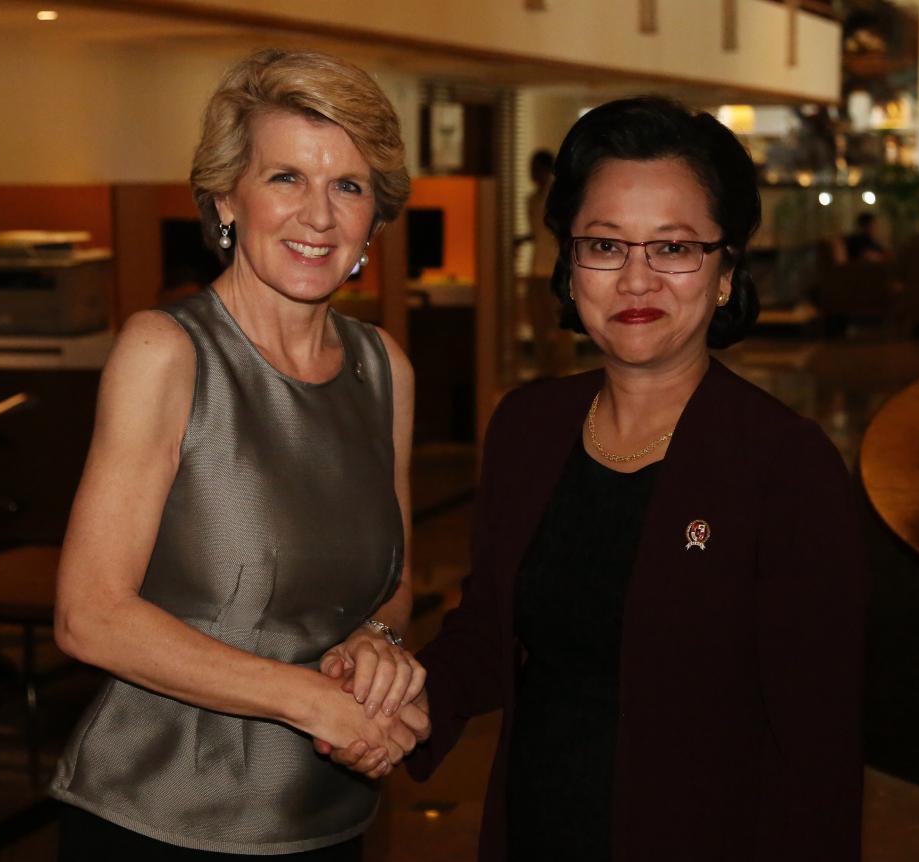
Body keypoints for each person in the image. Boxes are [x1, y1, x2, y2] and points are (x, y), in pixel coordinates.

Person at [327, 96, 867, 859]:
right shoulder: (528, 426)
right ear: (569, 265)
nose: (637, 280)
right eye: (606, 246)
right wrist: (400, 704)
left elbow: (818, 747)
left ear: (724, 273)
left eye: (674, 249)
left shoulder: (783, 463)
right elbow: (490, 628)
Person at [49, 49, 429, 860]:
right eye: (285, 177)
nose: (319, 217)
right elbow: (90, 617)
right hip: (160, 820)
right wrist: (308, 700)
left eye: (348, 186)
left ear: (376, 220)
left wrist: (378, 645)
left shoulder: (384, 370)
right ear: (227, 198)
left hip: (329, 817)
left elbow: (395, 583)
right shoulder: (167, 352)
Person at [523, 149, 573, 377]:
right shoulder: (532, 200)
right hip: (537, 268)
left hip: (555, 268)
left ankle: (563, 371)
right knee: (539, 324)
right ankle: (544, 370)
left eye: (536, 169)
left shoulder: (558, 198)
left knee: (559, 325)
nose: (532, 174)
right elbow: (538, 233)